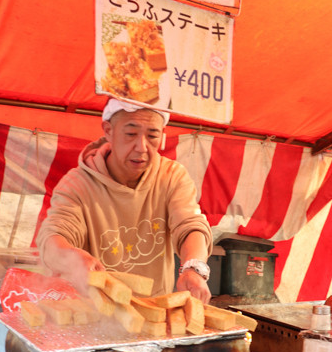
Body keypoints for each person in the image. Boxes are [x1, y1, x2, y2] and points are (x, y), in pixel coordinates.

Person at [36, 98, 213, 303]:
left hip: (154, 309)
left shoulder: (171, 176)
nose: (141, 147)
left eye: (152, 135)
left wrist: (194, 268)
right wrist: (73, 258)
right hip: (93, 312)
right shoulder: (77, 185)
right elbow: (53, 237)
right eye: (130, 134)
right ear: (108, 130)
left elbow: (191, 226)